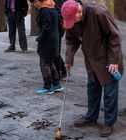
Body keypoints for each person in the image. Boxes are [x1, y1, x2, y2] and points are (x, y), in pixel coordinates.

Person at [61, 0, 124, 137]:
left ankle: (109, 122)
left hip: (109, 59)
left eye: (73, 19)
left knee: (109, 93)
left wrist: (113, 60)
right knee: (92, 89)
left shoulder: (98, 12)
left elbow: (114, 37)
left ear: (79, 11)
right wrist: (69, 59)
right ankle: (91, 116)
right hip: (91, 60)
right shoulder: (72, 19)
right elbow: (71, 40)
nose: (72, 23)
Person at [31, 0, 64, 95]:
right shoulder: (52, 8)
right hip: (54, 40)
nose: (34, 5)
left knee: (44, 64)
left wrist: (39, 38)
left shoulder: (45, 10)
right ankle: (56, 83)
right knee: (50, 62)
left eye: (34, 2)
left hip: (47, 41)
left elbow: (46, 27)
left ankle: (48, 86)